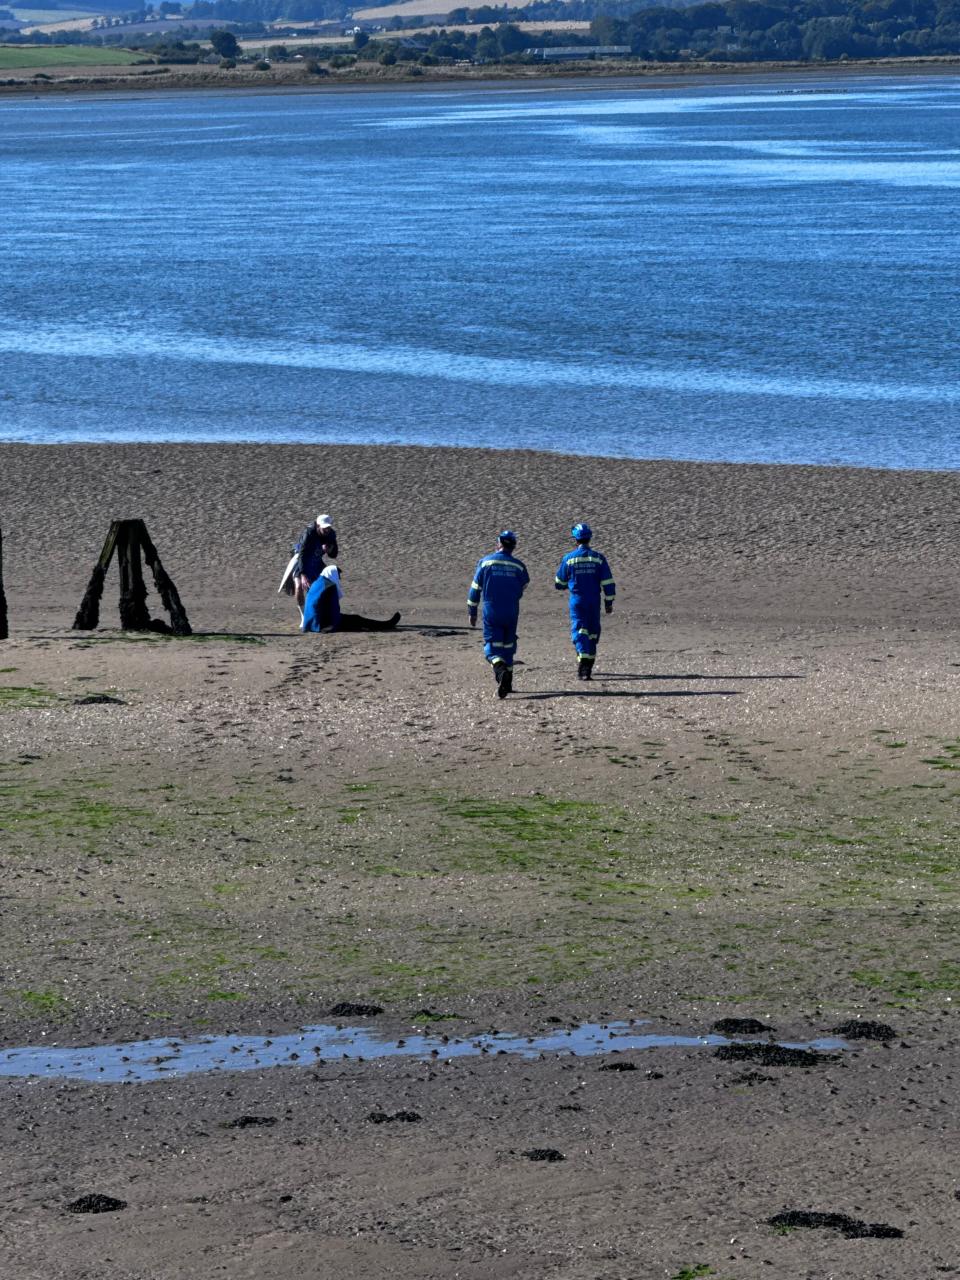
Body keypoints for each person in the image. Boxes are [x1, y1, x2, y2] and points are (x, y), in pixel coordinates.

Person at [467, 530, 529, 698]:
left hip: (491, 610)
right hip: (511, 611)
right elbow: (524, 585)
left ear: (499, 544)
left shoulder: (485, 562)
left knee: (492, 649)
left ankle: (501, 672)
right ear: (514, 546)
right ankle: (507, 683)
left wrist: (472, 611)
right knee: (508, 646)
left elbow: (474, 590)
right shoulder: (519, 565)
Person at [554, 522, 616, 681]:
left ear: (575, 539)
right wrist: (609, 602)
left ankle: (583, 663)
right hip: (594, 601)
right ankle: (588, 665)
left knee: (580, 630)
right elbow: (608, 582)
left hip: (578, 600)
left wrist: (568, 583)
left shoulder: (568, 559)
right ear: (589, 538)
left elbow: (559, 583)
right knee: (593, 632)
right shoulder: (598, 558)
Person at [301, 569, 400, 633]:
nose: (339, 578)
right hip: (323, 624)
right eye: (338, 575)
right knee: (357, 620)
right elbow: (333, 608)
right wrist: (334, 625)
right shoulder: (329, 586)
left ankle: (385, 624)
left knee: (355, 620)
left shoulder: (318, 582)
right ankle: (386, 625)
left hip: (311, 623)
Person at [292, 514, 339, 610]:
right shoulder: (308, 533)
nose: (327, 530)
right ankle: (303, 616)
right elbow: (302, 554)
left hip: (316, 559)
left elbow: (334, 555)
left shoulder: (331, 534)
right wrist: (303, 575)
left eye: (328, 527)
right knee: (299, 586)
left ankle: (319, 610)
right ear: (318, 526)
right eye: (324, 528)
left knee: (325, 584)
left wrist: (330, 550)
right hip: (300, 559)